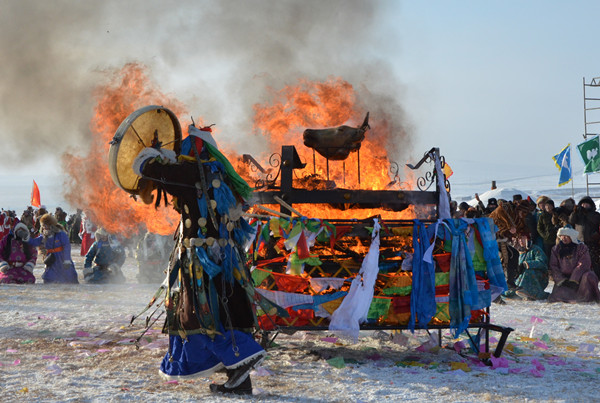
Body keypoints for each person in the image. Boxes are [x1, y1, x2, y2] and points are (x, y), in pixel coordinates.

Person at [129, 123, 270, 395]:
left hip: (202, 260)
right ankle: (240, 382)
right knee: (227, 314)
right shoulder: (220, 174)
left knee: (198, 316)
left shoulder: (194, 171)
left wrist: (149, 157)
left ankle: (248, 352)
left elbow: (153, 171)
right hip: (228, 258)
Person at [548, 227, 600, 303]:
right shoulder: (556, 249)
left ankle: (586, 296)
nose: (563, 238)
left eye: (566, 236)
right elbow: (554, 265)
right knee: (560, 295)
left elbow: (584, 264)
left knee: (589, 276)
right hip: (564, 279)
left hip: (580, 277)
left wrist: (574, 279)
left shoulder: (581, 248)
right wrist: (561, 280)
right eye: (562, 235)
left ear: (571, 237)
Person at [28, 213, 78, 284]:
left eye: (45, 225)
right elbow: (34, 242)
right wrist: (25, 237)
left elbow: (67, 246)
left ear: (51, 225)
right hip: (51, 259)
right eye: (43, 225)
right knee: (50, 278)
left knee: (68, 278)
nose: (44, 227)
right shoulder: (44, 237)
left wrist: (67, 259)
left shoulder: (61, 234)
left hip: (61, 258)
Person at [569, 196, 600, 278]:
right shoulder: (578, 215)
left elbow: (596, 221)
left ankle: (597, 278)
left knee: (594, 262)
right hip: (579, 242)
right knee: (580, 262)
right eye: (583, 204)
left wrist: (587, 213)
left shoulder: (595, 214)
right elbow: (571, 221)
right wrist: (575, 212)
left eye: (586, 204)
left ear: (591, 205)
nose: (584, 205)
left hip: (592, 242)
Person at [513, 236, 549, 301]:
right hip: (521, 278)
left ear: (528, 238)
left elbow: (542, 263)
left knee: (528, 271)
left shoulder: (536, 249)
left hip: (538, 277)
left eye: (523, 238)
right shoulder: (517, 251)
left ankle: (530, 292)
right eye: (519, 238)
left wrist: (526, 264)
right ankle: (522, 291)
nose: (521, 240)